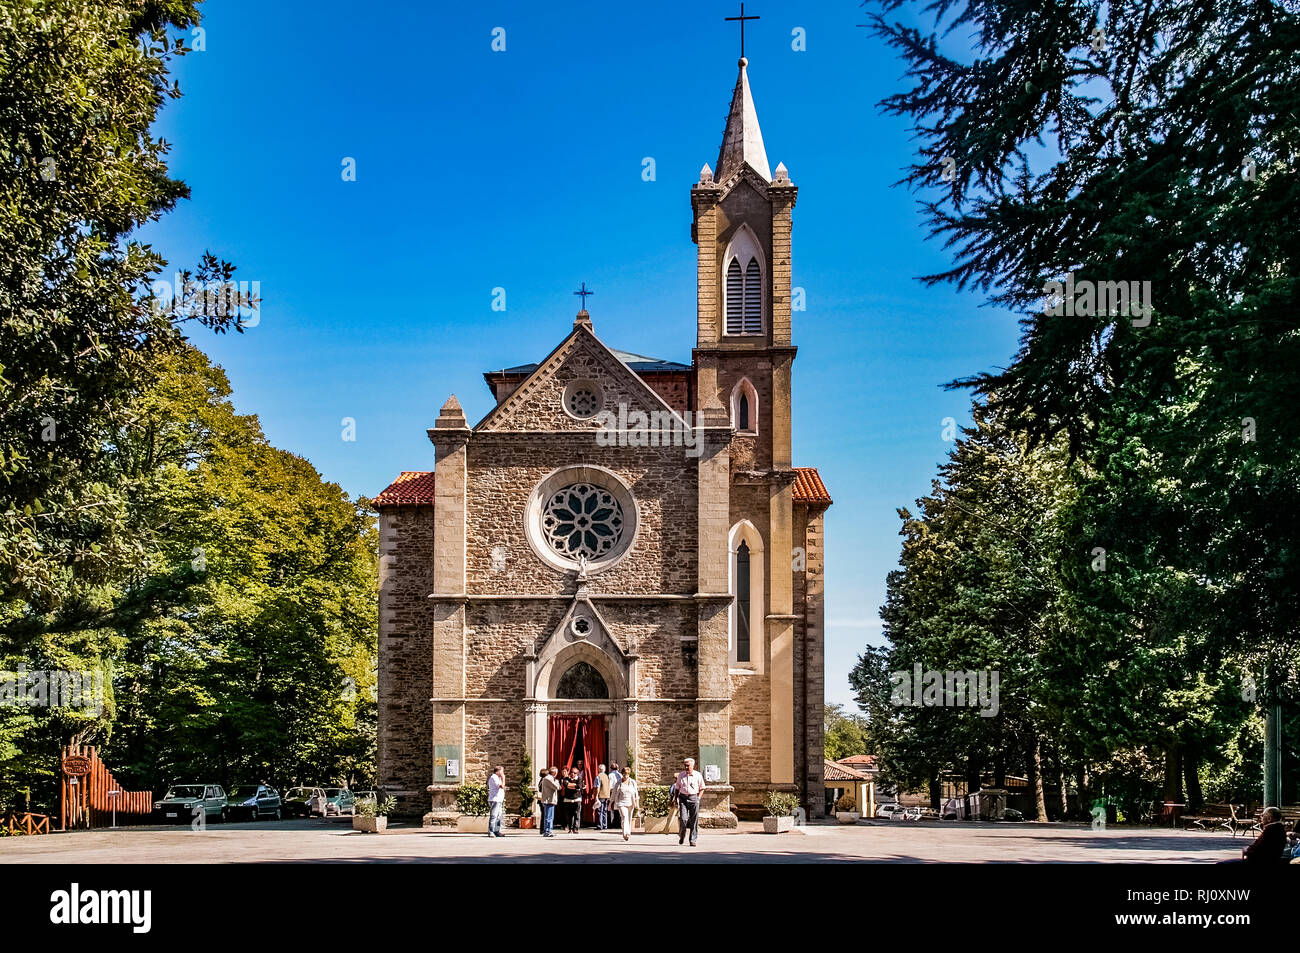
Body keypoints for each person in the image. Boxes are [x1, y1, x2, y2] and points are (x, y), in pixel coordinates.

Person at [1219, 807, 1287, 865]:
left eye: (1262, 815)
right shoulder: (1280, 829)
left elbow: (1258, 850)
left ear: (1269, 818)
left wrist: (1247, 850)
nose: (1261, 817)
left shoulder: (1270, 830)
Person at [675, 757, 706, 847]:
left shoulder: (698, 775)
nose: (686, 768)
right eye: (685, 766)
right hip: (683, 798)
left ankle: (693, 839)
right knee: (683, 819)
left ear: (693, 766)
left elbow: (702, 788)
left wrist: (698, 798)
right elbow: (677, 788)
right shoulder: (681, 775)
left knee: (694, 820)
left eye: (688, 766)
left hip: (693, 798)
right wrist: (675, 799)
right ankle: (682, 835)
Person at [611, 768, 639, 841]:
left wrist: (637, 804)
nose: (626, 776)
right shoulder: (618, 783)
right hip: (621, 803)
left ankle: (628, 832)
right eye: (624, 774)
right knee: (624, 816)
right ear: (622, 774)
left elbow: (636, 794)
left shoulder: (633, 782)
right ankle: (625, 833)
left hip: (630, 803)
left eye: (627, 774)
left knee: (629, 817)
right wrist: (610, 803)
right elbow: (614, 793)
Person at [538, 767, 559, 837]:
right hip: (549, 800)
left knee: (548, 816)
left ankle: (548, 830)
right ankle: (547, 831)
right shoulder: (549, 778)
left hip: (548, 800)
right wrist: (557, 781)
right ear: (554, 773)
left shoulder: (547, 778)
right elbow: (556, 787)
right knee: (549, 817)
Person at [560, 768, 582, 833]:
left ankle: (576, 828)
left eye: (575, 773)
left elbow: (579, 786)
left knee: (577, 814)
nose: (573, 774)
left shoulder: (579, 779)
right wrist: (574, 785)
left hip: (577, 799)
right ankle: (570, 828)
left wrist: (571, 785)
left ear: (577, 773)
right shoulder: (565, 779)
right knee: (568, 816)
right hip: (568, 799)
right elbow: (565, 785)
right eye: (572, 772)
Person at [487, 765, 506, 838]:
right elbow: (501, 786)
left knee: (498, 816)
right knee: (494, 816)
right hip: (495, 799)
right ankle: (491, 831)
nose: (503, 773)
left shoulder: (498, 778)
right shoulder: (494, 777)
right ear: (498, 771)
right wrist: (503, 778)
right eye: (502, 771)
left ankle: (496, 831)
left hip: (499, 800)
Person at [595, 763, 612, 831]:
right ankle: (605, 825)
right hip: (606, 795)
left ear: (599, 769)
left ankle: (600, 825)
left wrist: (596, 795)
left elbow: (597, 787)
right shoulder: (606, 776)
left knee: (600, 811)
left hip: (601, 795)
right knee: (604, 811)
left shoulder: (598, 776)